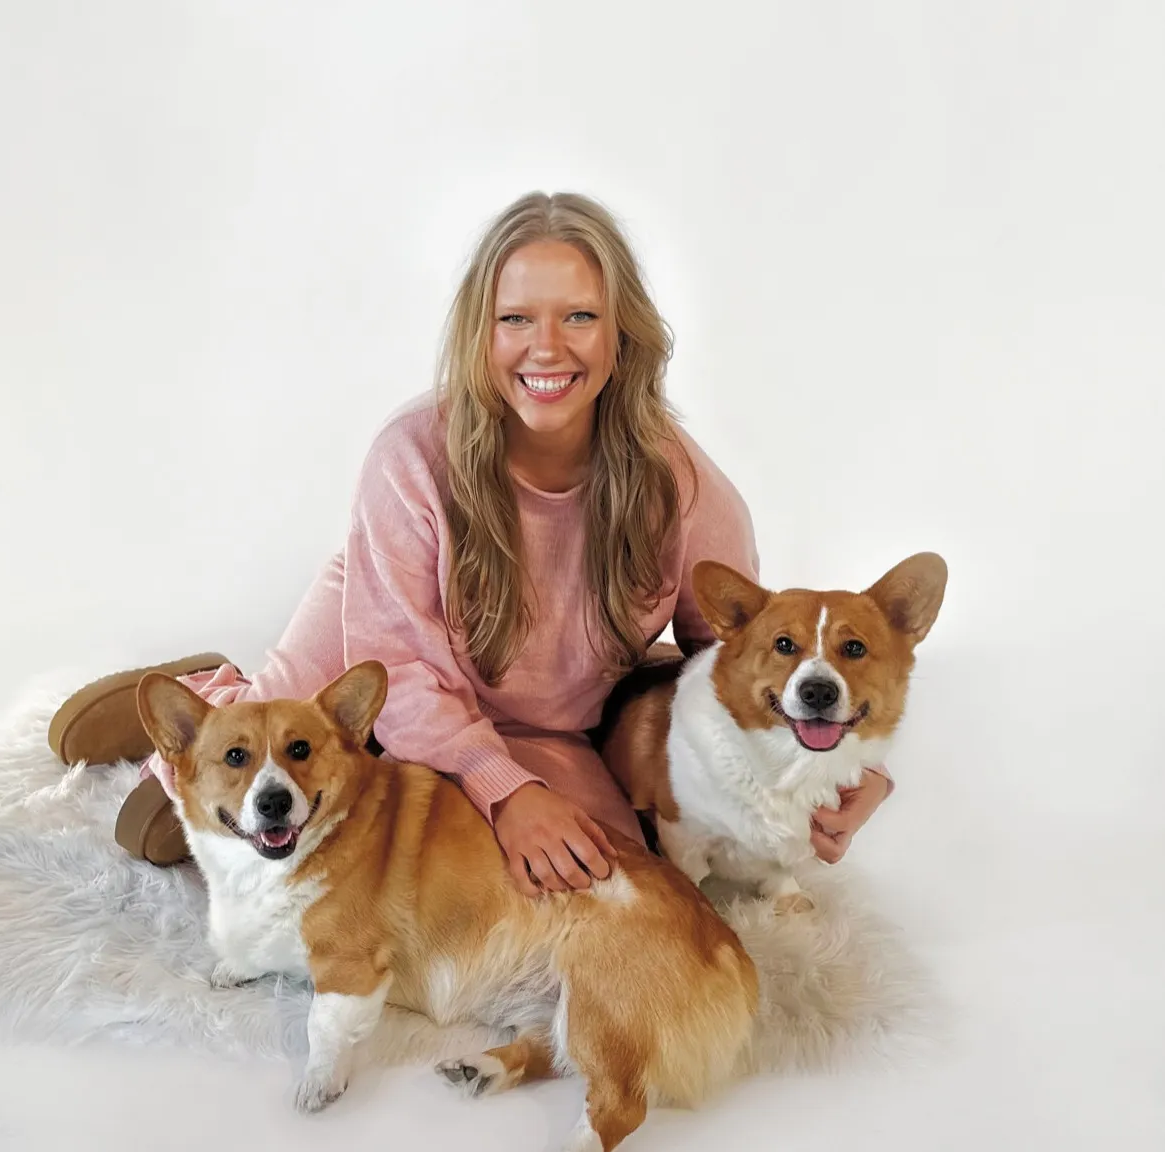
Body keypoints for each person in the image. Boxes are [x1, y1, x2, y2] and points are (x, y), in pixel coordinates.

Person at [49, 191, 890, 896]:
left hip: (541, 718)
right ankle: (214, 695)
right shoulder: (410, 454)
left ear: (622, 332)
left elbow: (743, 659)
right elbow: (401, 668)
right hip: (378, 639)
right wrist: (503, 792)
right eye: (514, 317)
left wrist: (844, 765)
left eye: (580, 316)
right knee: (193, 821)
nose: (546, 347)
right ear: (478, 332)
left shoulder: (688, 491)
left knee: (605, 884)